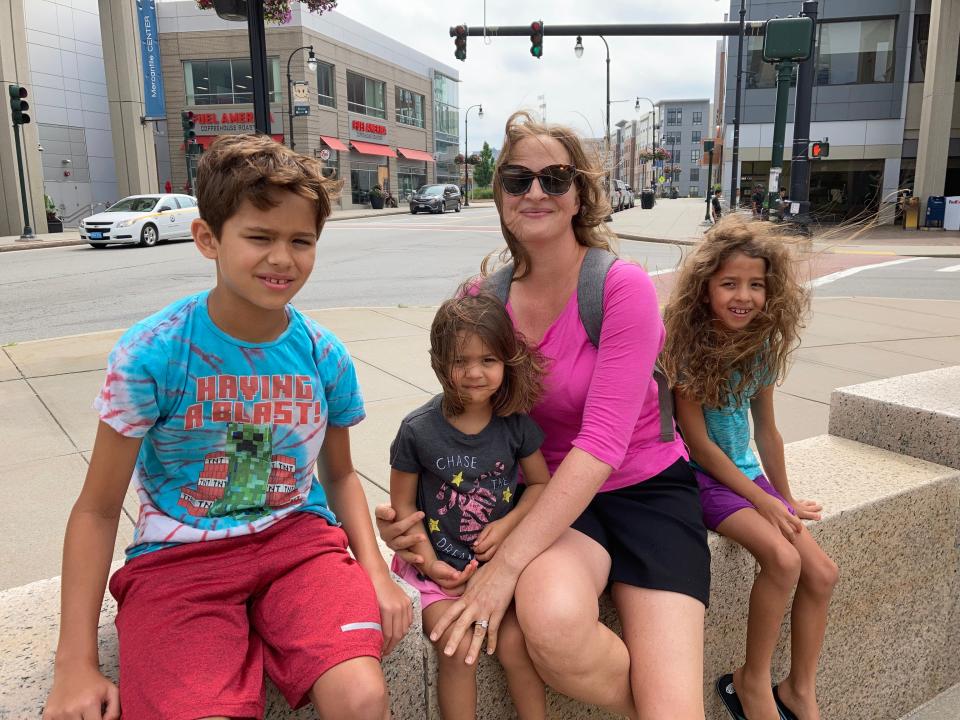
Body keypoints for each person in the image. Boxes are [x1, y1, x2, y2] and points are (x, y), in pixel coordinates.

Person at [43, 134, 411, 720]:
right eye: (260, 238)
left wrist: (374, 569)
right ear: (207, 238)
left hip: (299, 545)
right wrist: (76, 663)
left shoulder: (323, 354)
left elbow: (340, 474)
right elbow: (96, 509)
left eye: (301, 241)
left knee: (362, 694)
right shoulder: (152, 355)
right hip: (180, 561)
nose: (282, 259)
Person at [377, 110, 711, 719]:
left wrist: (503, 570)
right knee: (553, 626)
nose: (535, 192)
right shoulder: (480, 303)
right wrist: (409, 521)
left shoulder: (621, 288)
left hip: (645, 491)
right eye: (517, 179)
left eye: (555, 179)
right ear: (499, 194)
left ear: (579, 194)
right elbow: (454, 415)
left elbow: (604, 442)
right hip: (544, 500)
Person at [661, 216, 839, 720]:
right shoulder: (690, 347)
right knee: (783, 561)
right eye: (729, 283)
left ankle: (799, 688)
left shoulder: (759, 344)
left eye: (756, 285)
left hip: (746, 476)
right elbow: (697, 443)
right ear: (705, 289)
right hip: (702, 479)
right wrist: (762, 501)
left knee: (822, 573)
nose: (744, 295)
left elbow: (767, 431)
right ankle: (750, 680)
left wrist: (783, 495)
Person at [390, 290, 551, 720]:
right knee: (458, 647)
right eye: (461, 361)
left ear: (506, 361)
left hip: (498, 572)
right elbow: (404, 512)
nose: (475, 373)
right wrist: (428, 563)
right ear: (440, 363)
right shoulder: (417, 431)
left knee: (518, 644)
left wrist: (509, 524)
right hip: (437, 575)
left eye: (488, 360)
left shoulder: (516, 425)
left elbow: (540, 484)